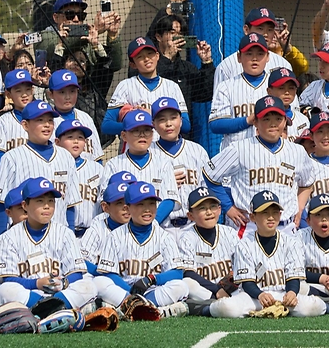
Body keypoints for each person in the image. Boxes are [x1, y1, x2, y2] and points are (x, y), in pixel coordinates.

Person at [204, 96, 316, 236]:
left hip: (286, 228)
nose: (273, 124)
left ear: (285, 121)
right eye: (266, 119)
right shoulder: (239, 148)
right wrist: (228, 207)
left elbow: (307, 183)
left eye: (277, 118)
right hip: (250, 229)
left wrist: (299, 208)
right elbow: (209, 174)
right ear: (255, 122)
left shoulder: (297, 151)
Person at [0, 177, 94, 311]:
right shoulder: (8, 238)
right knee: (6, 290)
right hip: (29, 293)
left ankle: (46, 310)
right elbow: (9, 279)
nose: (47, 206)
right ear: (25, 205)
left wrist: (63, 283)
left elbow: (76, 272)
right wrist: (37, 284)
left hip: (60, 292)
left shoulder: (65, 233)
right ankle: (55, 309)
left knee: (89, 286)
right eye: (40, 201)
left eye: (50, 201)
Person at [94, 181, 190, 317]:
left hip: (153, 292)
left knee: (182, 286)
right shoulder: (115, 236)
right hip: (124, 292)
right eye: (140, 204)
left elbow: (177, 273)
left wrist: (151, 279)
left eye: (151, 203)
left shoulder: (164, 237)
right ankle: (153, 310)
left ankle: (125, 310)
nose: (147, 209)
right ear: (127, 209)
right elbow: (109, 273)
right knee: (99, 282)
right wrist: (130, 294)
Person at [0, 100, 80, 234]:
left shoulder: (66, 157)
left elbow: (70, 204)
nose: (47, 125)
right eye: (40, 120)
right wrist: (1, 236)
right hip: (22, 236)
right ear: (25, 125)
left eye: (50, 120)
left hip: (59, 235)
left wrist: (71, 233)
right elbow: (0, 202)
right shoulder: (11, 158)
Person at [99, 110, 180, 226]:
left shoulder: (163, 162)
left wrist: (151, 224)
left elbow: (170, 199)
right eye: (136, 131)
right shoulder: (113, 165)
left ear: (153, 134)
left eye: (146, 131)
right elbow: (106, 201)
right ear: (124, 135)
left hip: (159, 228)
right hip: (123, 230)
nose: (142, 135)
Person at [102, 38, 190, 138]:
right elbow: (106, 126)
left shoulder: (172, 86)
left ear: (157, 56)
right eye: (140, 57)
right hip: (135, 150)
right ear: (133, 64)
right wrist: (135, 122)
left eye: (150, 53)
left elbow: (186, 126)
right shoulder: (125, 86)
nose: (146, 59)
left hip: (166, 149)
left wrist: (152, 115)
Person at [176, 187, 240, 316]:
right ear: (190, 215)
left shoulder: (230, 233)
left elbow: (243, 263)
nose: (209, 212)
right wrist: (216, 290)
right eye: (202, 208)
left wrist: (230, 285)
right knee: (187, 283)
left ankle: (204, 307)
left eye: (213, 206)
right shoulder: (186, 237)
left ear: (220, 209)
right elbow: (188, 272)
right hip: (206, 291)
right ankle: (214, 303)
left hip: (231, 289)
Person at [151, 97, 211, 231]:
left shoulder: (197, 151)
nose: (168, 124)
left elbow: (207, 190)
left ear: (181, 120)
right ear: (153, 124)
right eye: (162, 120)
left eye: (173, 118)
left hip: (194, 226)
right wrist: (165, 184)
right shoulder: (149, 154)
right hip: (162, 226)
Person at [209, 33, 272, 152]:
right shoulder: (226, 87)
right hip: (234, 156)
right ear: (239, 57)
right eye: (249, 54)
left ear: (267, 56)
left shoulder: (277, 86)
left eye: (260, 54)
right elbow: (215, 124)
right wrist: (247, 120)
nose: (255, 58)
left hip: (268, 155)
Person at [36, 0, 124, 78]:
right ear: (56, 17)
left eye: (80, 15)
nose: (76, 19)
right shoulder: (44, 36)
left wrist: (113, 35)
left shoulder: (87, 39)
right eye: (70, 14)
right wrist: (94, 29)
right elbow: (52, 48)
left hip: (85, 90)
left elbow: (114, 65)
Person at [214, 7, 305, 88]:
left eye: (270, 30)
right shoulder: (227, 66)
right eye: (260, 28)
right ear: (246, 29)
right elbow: (219, 102)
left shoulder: (283, 64)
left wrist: (287, 48)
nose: (265, 34)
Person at [151, 14, 215, 129]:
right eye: (172, 32)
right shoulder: (149, 64)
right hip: (153, 129)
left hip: (181, 132)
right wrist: (167, 58)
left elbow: (205, 94)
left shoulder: (187, 68)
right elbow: (150, 81)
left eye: (180, 34)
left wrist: (207, 63)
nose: (177, 37)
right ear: (158, 37)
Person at [54, 118, 100, 236]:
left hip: (90, 233)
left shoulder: (97, 168)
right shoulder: (52, 167)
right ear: (57, 142)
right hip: (60, 232)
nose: (76, 141)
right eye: (70, 137)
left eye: (80, 137)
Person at [48, 69, 104, 162]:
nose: (68, 97)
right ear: (51, 94)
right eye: (62, 92)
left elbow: (97, 157)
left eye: (72, 91)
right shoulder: (48, 121)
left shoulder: (85, 118)